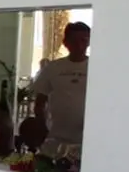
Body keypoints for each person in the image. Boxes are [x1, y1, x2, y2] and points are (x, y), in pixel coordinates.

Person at [31, 21, 90, 152]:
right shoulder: (53, 68)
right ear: (65, 42)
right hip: (55, 139)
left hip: (87, 140)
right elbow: (40, 102)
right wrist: (42, 127)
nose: (79, 45)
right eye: (74, 40)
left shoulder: (97, 68)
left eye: (83, 40)